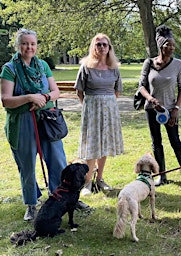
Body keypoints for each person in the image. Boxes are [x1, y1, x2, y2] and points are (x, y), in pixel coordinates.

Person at [0, 28, 67, 221]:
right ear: (18, 45)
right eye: (25, 43)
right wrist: (29, 97)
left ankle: (60, 197)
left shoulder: (43, 66)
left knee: (57, 160)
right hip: (22, 123)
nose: (29, 47)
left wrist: (44, 97)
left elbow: (55, 92)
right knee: (27, 165)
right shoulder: (10, 69)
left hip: (47, 120)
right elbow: (6, 100)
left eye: (32, 44)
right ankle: (31, 203)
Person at [138, 25, 181, 187]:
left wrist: (176, 109)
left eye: (173, 45)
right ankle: (161, 176)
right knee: (156, 142)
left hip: (170, 111)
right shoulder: (149, 63)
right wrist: (151, 99)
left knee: (176, 142)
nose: (171, 48)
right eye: (168, 45)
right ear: (160, 46)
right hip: (152, 111)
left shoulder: (178, 64)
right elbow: (141, 87)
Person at [74, 33, 124, 196]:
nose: (102, 47)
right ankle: (87, 181)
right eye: (98, 44)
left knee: (104, 144)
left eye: (105, 44)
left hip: (109, 110)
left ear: (109, 47)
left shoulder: (114, 68)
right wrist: (91, 106)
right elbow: (79, 91)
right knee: (92, 145)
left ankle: (100, 178)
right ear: (93, 47)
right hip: (92, 109)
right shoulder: (86, 67)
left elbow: (117, 91)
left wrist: (106, 104)